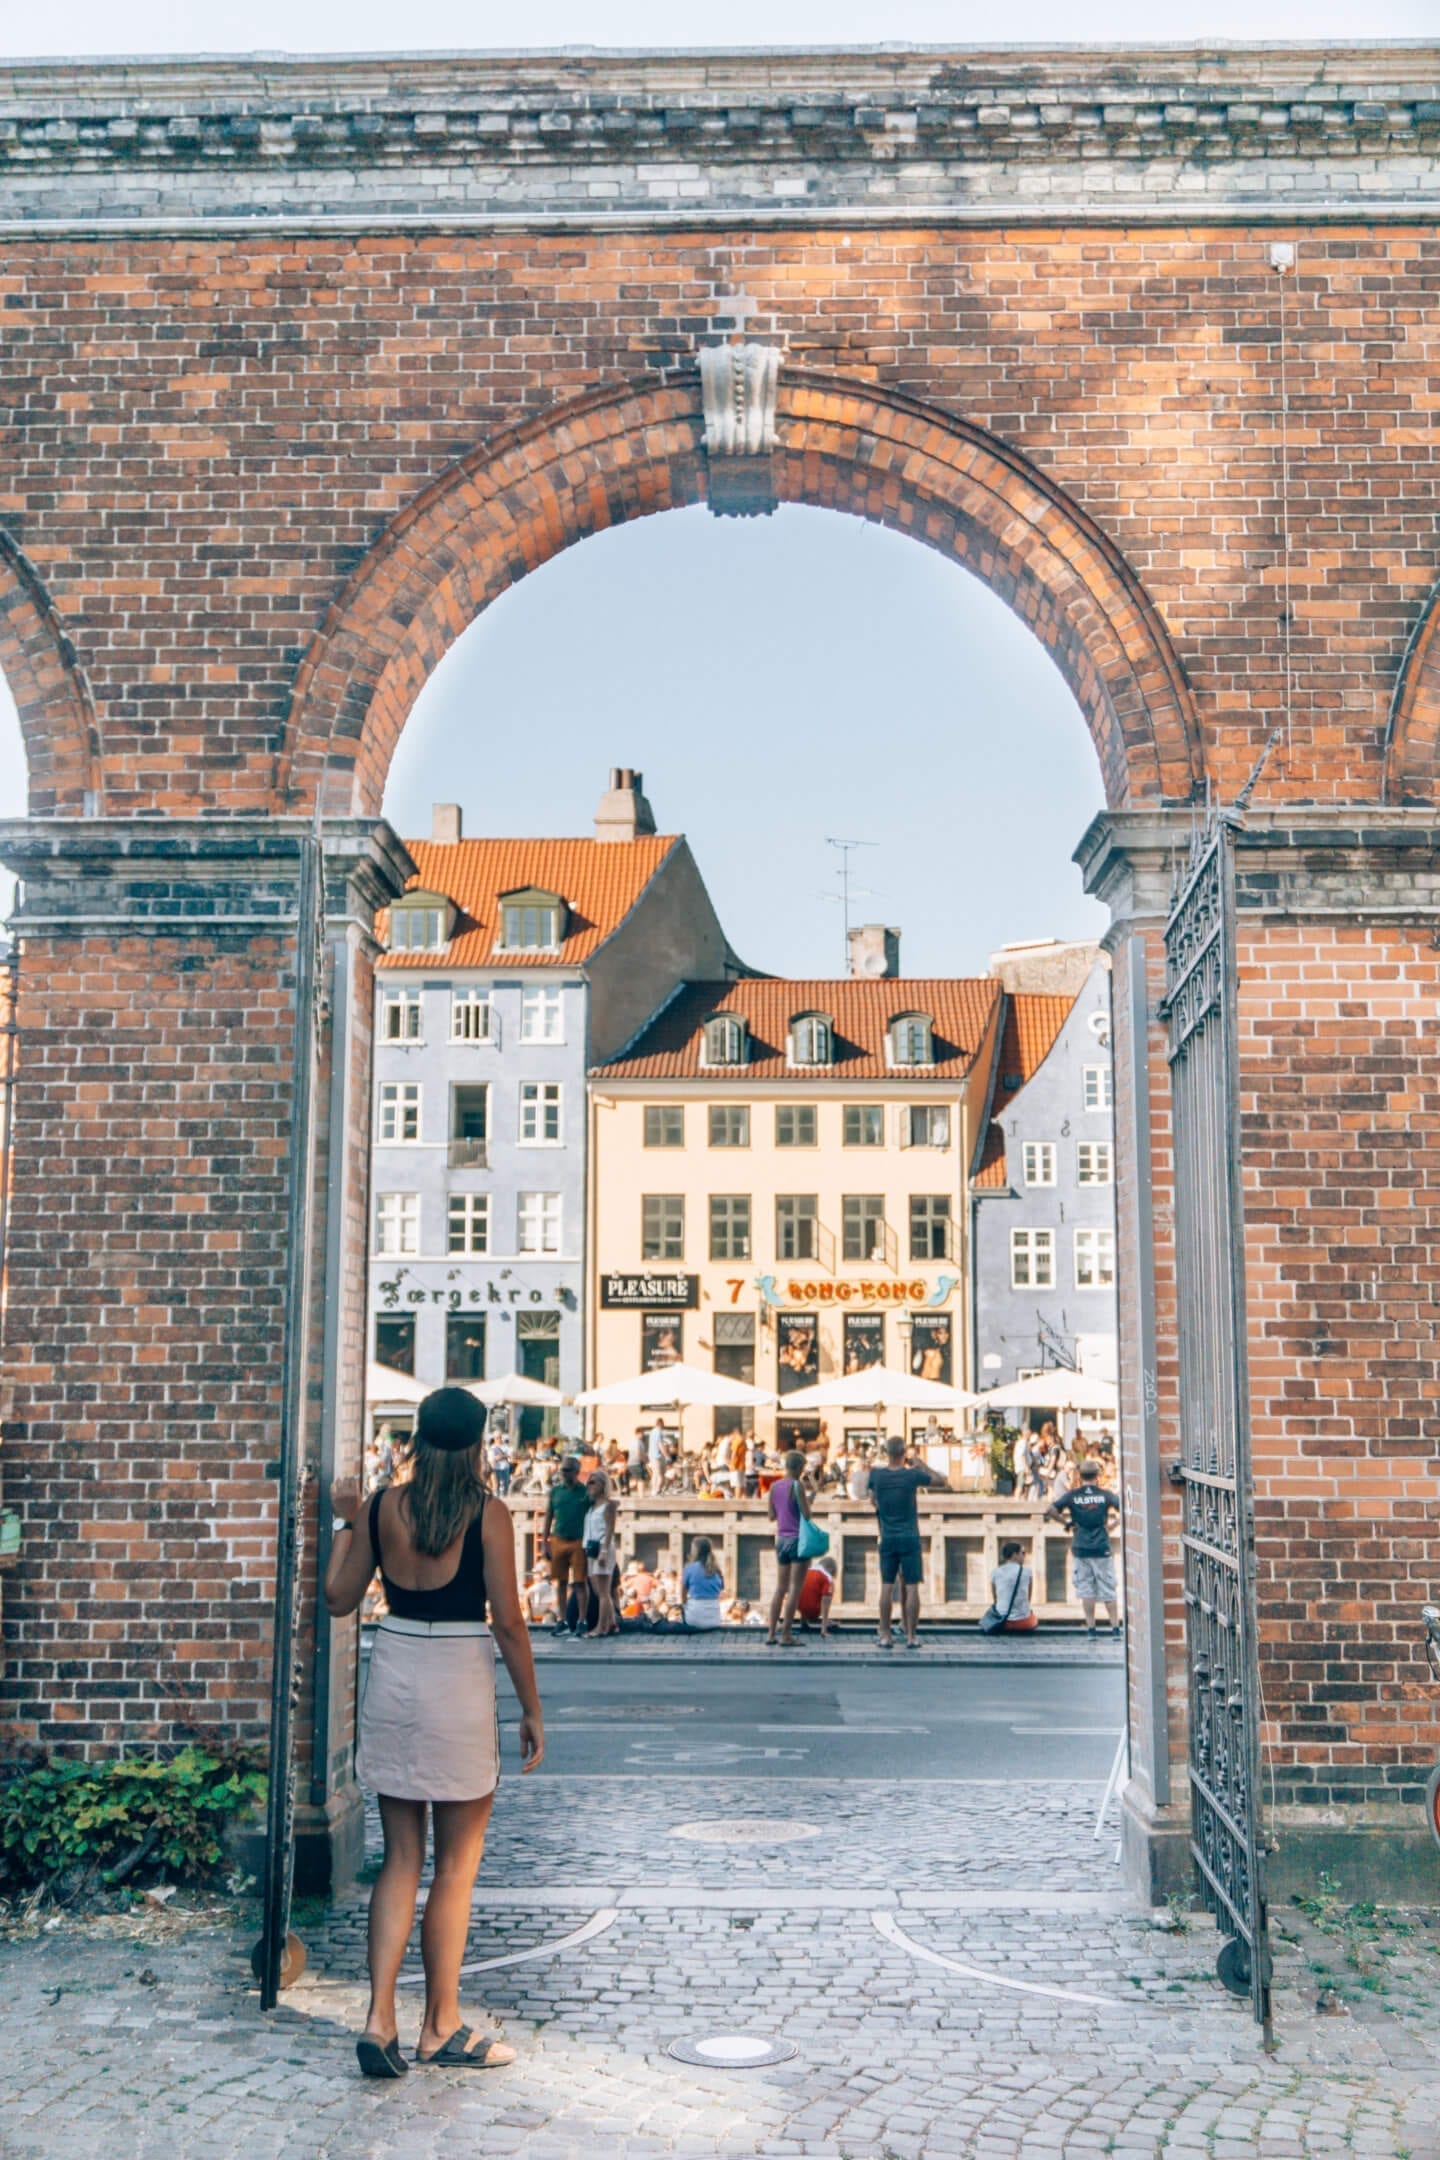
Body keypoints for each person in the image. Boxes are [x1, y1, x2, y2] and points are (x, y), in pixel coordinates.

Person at [325, 1386, 544, 2077]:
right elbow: (508, 1621)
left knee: (399, 1860)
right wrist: (532, 1708)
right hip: (457, 1675)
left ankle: (379, 2018)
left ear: (417, 1439)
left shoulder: (383, 1506)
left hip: (393, 1665)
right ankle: (441, 2026)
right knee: (455, 1868)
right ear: (479, 1444)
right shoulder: (490, 1514)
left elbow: (336, 1598)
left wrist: (345, 1524)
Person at [867, 1434, 948, 1649]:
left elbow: (872, 1500)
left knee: (886, 1585)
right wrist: (921, 1464)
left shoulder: (876, 1475)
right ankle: (911, 1636)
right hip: (910, 1536)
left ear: (886, 1453)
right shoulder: (912, 1476)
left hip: (887, 1536)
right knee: (912, 1586)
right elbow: (942, 1480)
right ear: (904, 1453)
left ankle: (885, 1635)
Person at [1045, 1460, 1122, 1638]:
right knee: (1108, 1587)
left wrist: (1066, 1524)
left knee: (1086, 1589)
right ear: (1097, 1475)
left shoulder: (1073, 1495)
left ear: (1080, 1476)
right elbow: (1126, 1509)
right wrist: (1112, 1525)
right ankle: (1115, 1628)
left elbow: (1050, 1510)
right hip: (1102, 1546)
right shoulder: (1105, 1495)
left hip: (1081, 1546)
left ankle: (1091, 1628)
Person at [766, 1448, 817, 1647]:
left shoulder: (774, 1486)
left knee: (780, 1589)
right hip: (798, 1540)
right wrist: (809, 1502)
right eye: (803, 1468)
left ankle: (771, 1633)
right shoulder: (797, 1486)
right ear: (797, 1468)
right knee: (795, 1589)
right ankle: (786, 1634)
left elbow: (771, 1515)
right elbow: (807, 1514)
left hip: (781, 1540)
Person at [543, 1456, 590, 1636]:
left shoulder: (584, 1492)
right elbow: (548, 1516)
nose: (564, 1473)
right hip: (559, 1539)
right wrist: (545, 1543)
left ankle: (582, 1619)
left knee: (579, 1582)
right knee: (560, 1582)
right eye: (563, 1470)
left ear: (576, 1472)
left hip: (578, 1540)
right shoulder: (555, 1492)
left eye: (567, 1470)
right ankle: (561, 1619)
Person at [581, 1470, 619, 1637]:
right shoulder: (592, 1505)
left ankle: (601, 1626)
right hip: (590, 1547)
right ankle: (612, 1622)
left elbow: (610, 1529)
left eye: (593, 1482)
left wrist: (604, 1551)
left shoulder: (608, 1505)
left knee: (603, 1591)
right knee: (597, 1589)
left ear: (603, 1485)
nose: (589, 1485)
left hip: (602, 1547)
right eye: (589, 1482)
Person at [988, 1540, 1038, 1632]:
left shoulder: (995, 1572)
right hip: (1023, 1623)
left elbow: (995, 1597)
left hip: (1002, 1621)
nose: (1024, 1556)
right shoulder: (1027, 1572)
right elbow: (1028, 1598)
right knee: (1033, 1618)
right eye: (1022, 1553)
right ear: (1015, 1555)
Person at [682, 1536, 726, 1628]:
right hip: (714, 1619)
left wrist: (685, 1605)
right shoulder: (717, 1571)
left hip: (694, 1617)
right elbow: (721, 1590)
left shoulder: (689, 1568)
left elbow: (683, 1594)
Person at [796, 1547, 838, 1637]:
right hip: (813, 1611)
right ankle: (824, 1626)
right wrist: (824, 1628)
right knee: (828, 1592)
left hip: (800, 1608)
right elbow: (825, 1602)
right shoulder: (826, 1577)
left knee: (807, 1591)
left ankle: (803, 1622)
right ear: (830, 1569)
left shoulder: (806, 1571)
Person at [646, 1418, 669, 1494]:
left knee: (655, 1474)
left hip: (652, 1455)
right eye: (663, 1424)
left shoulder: (652, 1432)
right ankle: (657, 1490)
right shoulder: (658, 1432)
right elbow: (660, 1444)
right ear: (660, 1424)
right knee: (660, 1475)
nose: (664, 1425)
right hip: (657, 1456)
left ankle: (654, 1489)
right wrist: (666, 1455)